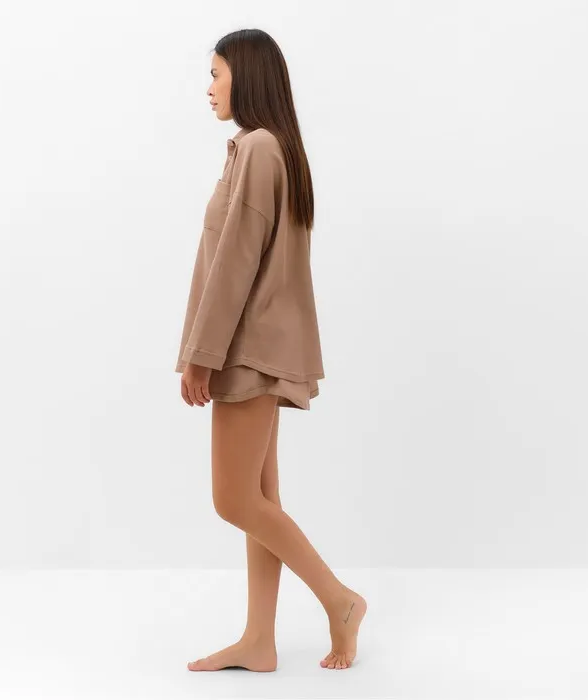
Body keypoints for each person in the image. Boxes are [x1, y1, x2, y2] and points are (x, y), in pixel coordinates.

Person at [174, 28, 367, 672]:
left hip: (247, 349)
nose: (209, 88)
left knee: (233, 500)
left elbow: (234, 263)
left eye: (216, 73)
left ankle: (340, 600)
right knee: (260, 497)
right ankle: (260, 638)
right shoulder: (270, 148)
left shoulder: (258, 148)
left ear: (247, 76)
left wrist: (200, 355)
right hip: (261, 344)